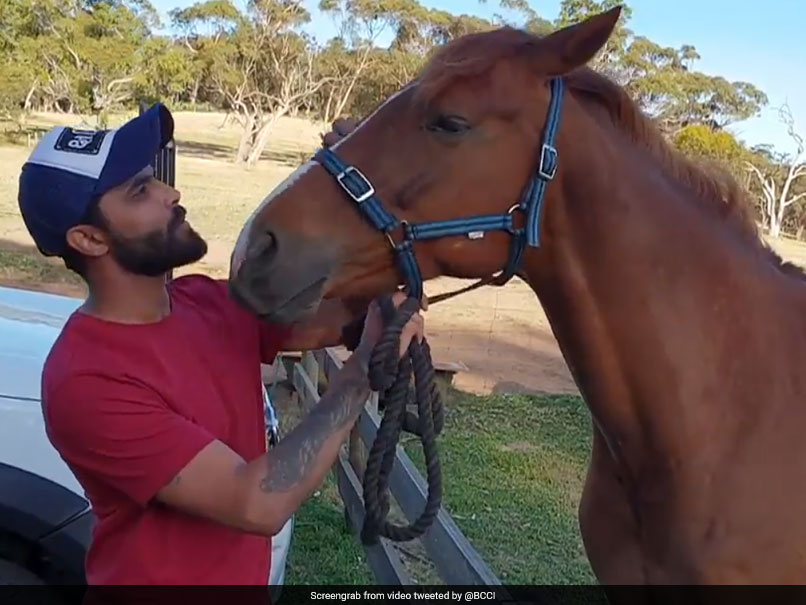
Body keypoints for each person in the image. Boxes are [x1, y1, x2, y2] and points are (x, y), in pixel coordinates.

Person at [16, 103, 424, 585]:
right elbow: (256, 502)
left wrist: (360, 178)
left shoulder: (203, 301)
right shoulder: (86, 380)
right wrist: (357, 378)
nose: (172, 193)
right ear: (88, 239)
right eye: (141, 191)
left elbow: (351, 314)